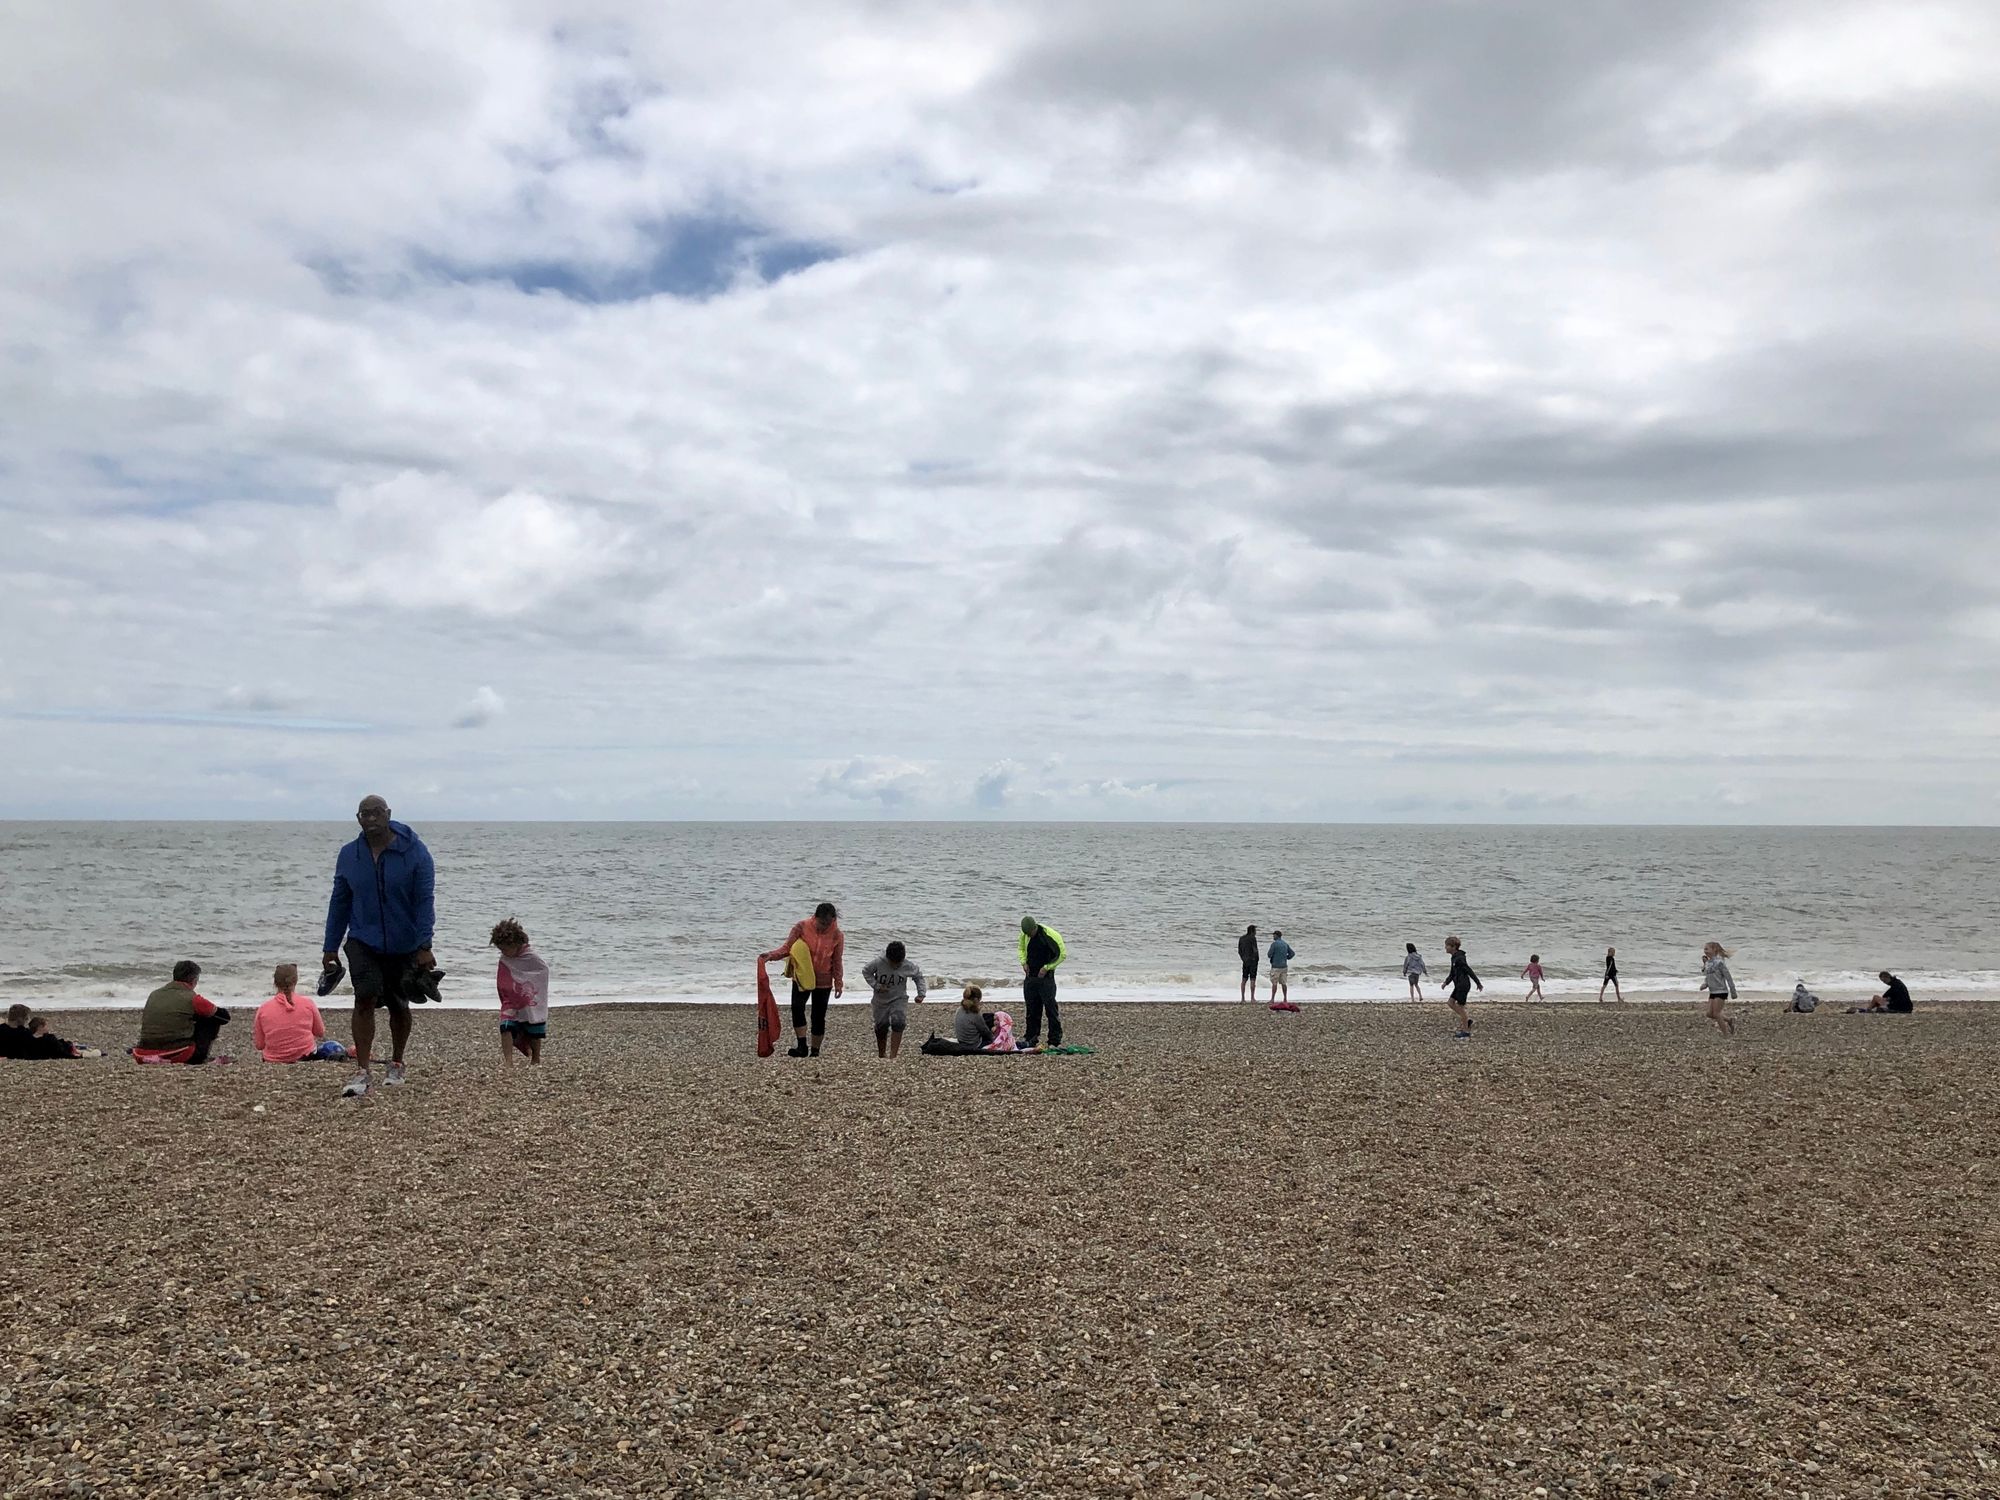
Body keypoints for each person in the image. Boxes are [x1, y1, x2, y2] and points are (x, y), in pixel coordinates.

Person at [323, 794, 437, 1097]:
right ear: (358, 818)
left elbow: (424, 901)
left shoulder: (415, 852)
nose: (371, 819)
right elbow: (340, 901)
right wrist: (330, 946)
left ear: (387, 814)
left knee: (399, 1003)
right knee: (364, 998)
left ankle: (397, 1062)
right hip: (363, 939)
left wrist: (425, 944)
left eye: (376, 813)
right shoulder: (350, 855)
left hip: (405, 942)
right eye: (365, 814)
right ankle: (362, 1070)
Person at [759, 902, 845, 1058]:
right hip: (802, 976)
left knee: (818, 1016)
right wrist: (770, 956)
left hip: (824, 980)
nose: (824, 926)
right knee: (797, 1008)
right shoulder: (802, 926)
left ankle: (815, 1052)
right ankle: (801, 1046)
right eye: (821, 923)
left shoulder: (837, 935)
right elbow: (787, 948)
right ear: (815, 917)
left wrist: (838, 982)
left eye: (828, 923)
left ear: (833, 920)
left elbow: (837, 961)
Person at [134, 960, 231, 1064]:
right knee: (210, 1019)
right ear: (194, 980)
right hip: (180, 1052)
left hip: (143, 1050)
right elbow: (224, 1017)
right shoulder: (193, 998)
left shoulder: (154, 994)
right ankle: (200, 1057)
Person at [252, 965, 347, 1063]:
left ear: (275, 982)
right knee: (332, 1046)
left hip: (273, 1059)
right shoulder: (307, 1003)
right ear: (296, 981)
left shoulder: (263, 1009)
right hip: (306, 1055)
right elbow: (320, 1032)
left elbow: (260, 1045)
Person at [490, 918, 551, 1066]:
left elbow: (542, 972)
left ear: (516, 943)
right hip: (511, 1001)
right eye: (500, 949)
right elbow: (503, 979)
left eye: (505, 948)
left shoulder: (531, 957)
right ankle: (508, 1061)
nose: (503, 952)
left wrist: (528, 987)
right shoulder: (505, 959)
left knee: (534, 1031)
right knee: (506, 1027)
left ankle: (536, 1058)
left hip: (529, 1001)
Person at [861, 940, 926, 1059]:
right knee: (881, 1026)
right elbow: (866, 972)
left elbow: (918, 977)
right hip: (880, 1000)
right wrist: (877, 985)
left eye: (898, 963)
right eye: (893, 963)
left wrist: (921, 994)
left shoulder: (907, 965)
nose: (895, 966)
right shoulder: (878, 962)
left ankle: (893, 1055)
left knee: (898, 1022)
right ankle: (882, 1054)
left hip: (899, 998)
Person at [1018, 915, 1067, 1049]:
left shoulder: (1049, 935)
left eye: (1031, 933)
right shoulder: (1024, 934)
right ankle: (1031, 1037)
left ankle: (1054, 1040)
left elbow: (1062, 954)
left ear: (1035, 927)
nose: (1029, 936)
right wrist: (1023, 962)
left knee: (1050, 1009)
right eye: (1027, 934)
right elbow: (1021, 949)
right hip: (1031, 976)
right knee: (1032, 1008)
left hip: (1046, 978)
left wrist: (1047, 968)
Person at [2, 1005, 98, 1060]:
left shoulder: (3, 1030)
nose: (28, 1020)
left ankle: (73, 1047)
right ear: (21, 1019)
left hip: (11, 1054)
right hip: (33, 1052)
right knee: (55, 1041)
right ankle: (75, 1048)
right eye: (27, 1017)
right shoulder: (24, 1034)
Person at [1441, 936, 1481, 1039]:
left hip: (1463, 985)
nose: (1445, 947)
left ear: (1453, 947)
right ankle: (1466, 1020)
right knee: (1450, 1003)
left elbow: (1468, 970)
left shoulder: (1460, 958)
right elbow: (1452, 972)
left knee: (1460, 1007)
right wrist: (1446, 982)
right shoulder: (1454, 957)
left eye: (1447, 946)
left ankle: (1466, 1031)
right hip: (1458, 984)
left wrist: (1478, 983)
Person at [1700, 941, 1737, 1036]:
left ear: (1714, 950)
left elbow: (1728, 977)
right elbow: (1708, 976)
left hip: (1721, 991)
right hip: (1712, 991)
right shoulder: (1707, 963)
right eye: (1704, 949)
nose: (1705, 951)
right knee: (1709, 1014)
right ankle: (1729, 1020)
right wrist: (1705, 984)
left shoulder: (1720, 962)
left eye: (1707, 949)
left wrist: (1733, 992)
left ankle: (1726, 1035)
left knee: (1716, 1013)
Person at [1850, 971, 1914, 1014]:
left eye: (1884, 981)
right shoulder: (1898, 983)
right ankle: (1868, 1009)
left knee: (1876, 997)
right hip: (1907, 1007)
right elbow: (1890, 996)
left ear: (1887, 977)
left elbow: (1884, 997)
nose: (1884, 983)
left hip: (1900, 1007)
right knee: (1880, 1003)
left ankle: (1867, 1010)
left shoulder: (1895, 986)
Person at [1266, 930, 1295, 1004]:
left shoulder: (1274, 944)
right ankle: (1285, 998)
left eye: (1274, 935)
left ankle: (1272, 999)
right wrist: (1287, 957)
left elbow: (1269, 954)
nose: (1273, 936)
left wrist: (1273, 956)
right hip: (1284, 966)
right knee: (1283, 983)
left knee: (1274, 983)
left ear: (1277, 935)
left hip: (1276, 966)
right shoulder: (1285, 944)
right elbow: (1292, 953)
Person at [1237, 925, 1259, 1002]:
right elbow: (1255, 950)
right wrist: (1257, 960)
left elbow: (1239, 951)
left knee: (1244, 979)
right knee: (1253, 979)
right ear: (1252, 931)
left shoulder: (1242, 938)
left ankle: (1243, 998)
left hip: (1245, 961)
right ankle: (1252, 998)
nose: (1256, 932)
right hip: (1252, 961)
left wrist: (1243, 959)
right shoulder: (1253, 938)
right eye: (1255, 931)